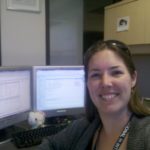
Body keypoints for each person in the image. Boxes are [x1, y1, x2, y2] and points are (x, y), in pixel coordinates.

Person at [38, 40, 150, 150]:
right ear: (87, 83)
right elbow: (50, 144)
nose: (105, 83)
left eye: (116, 73)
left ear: (133, 78)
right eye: (96, 75)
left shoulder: (146, 134)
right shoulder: (83, 127)